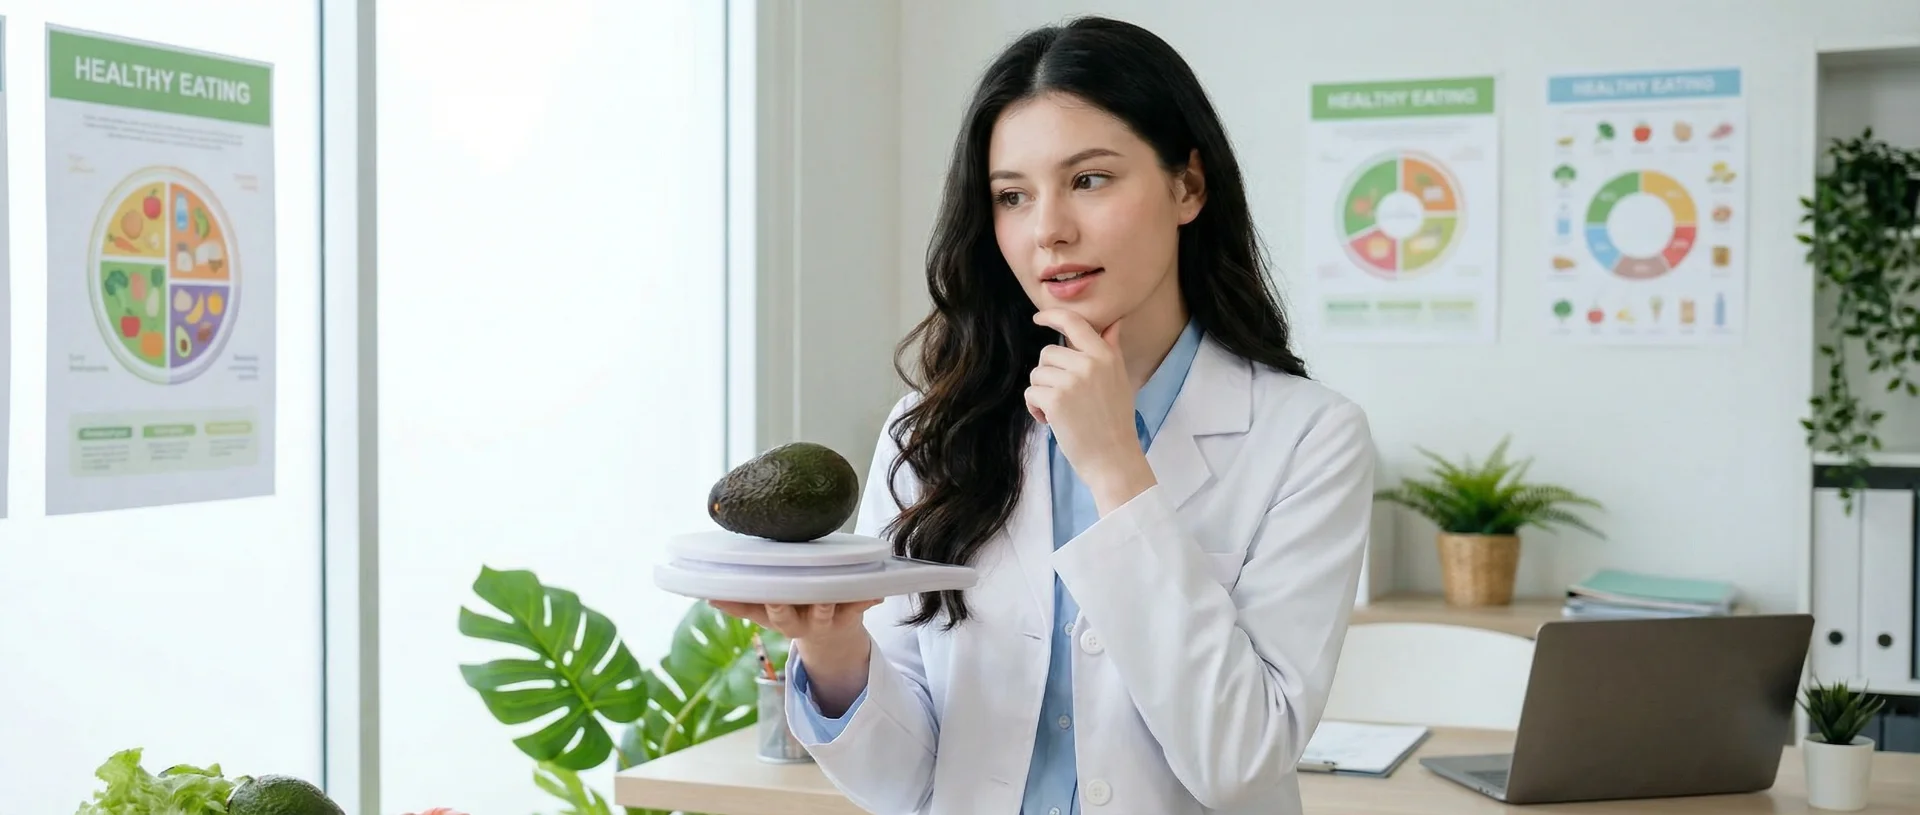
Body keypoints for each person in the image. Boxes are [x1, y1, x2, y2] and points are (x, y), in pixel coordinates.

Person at [710, 15, 1376, 815]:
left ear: (1188, 185)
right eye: (1012, 196)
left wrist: (1114, 465)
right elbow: (906, 781)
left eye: (1089, 179)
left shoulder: (1308, 436)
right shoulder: (929, 430)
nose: (1049, 230)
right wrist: (830, 644)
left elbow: (1241, 762)